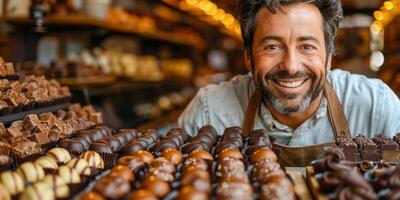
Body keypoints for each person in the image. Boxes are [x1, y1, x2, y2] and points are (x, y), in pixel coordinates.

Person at [177, 0, 400, 164]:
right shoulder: (209, 111)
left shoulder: (376, 106)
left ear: (329, 58)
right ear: (248, 58)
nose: (291, 66)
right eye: (272, 46)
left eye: (307, 46)